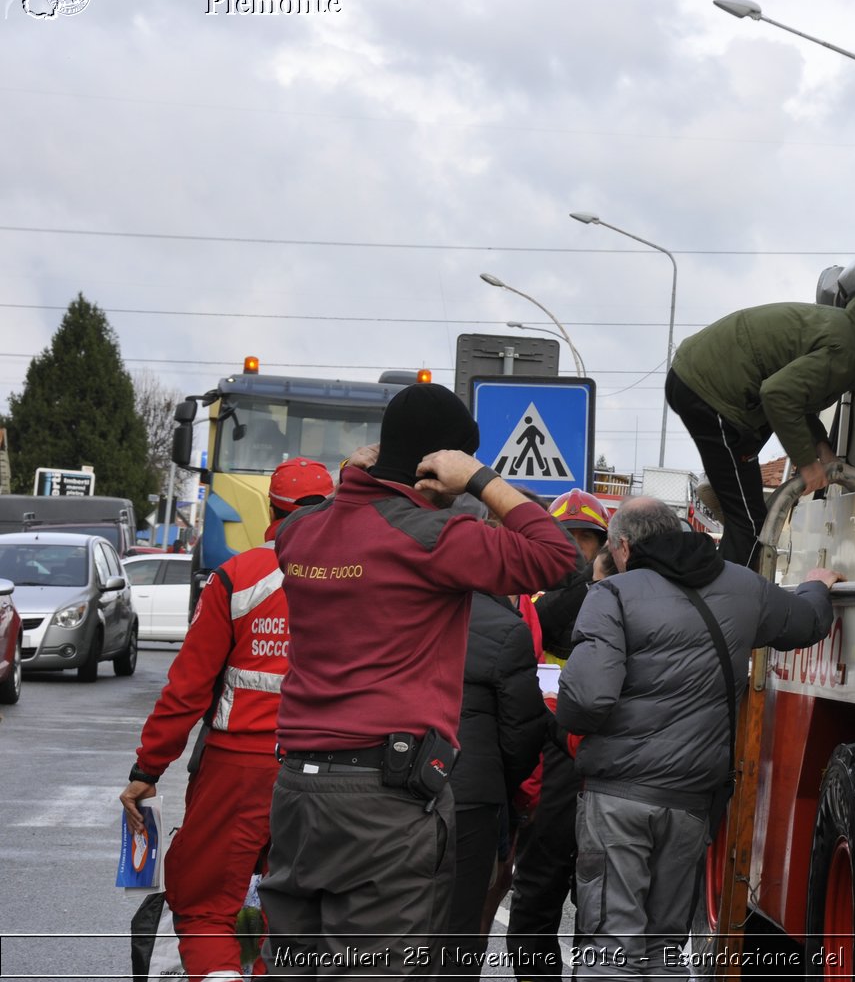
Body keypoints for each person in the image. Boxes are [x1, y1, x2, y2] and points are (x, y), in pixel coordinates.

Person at [258, 382, 578, 976]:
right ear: (440, 465)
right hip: (381, 804)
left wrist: (353, 475)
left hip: (297, 795)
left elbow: (330, 517)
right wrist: (481, 480)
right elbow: (556, 556)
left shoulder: (300, 535)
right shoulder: (432, 538)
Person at [556, 497, 842, 978]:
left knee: (612, 946)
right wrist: (817, 587)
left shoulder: (613, 595)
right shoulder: (742, 585)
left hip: (619, 799)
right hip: (691, 803)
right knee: (666, 945)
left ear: (623, 546)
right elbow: (807, 622)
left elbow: (587, 702)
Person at [118, 457, 335, 982]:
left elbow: (187, 689)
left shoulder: (238, 576)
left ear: (271, 507)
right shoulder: (363, 576)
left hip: (241, 768)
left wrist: (148, 771)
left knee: (205, 906)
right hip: (338, 772)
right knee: (302, 914)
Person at [666, 296, 855, 569]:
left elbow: (800, 400)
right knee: (752, 528)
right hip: (711, 389)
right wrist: (809, 465)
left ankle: (724, 489)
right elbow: (777, 396)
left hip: (706, 380)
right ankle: (724, 600)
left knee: (746, 519)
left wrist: (822, 450)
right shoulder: (851, 355)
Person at [505, 488, 611, 980]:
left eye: (585, 541)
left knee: (603, 896)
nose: (574, 550)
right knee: (539, 887)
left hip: (600, 758)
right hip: (546, 762)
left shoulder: (617, 598)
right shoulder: (530, 598)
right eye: (565, 539)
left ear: (604, 546)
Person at [442, 578, 556, 978]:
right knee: (460, 926)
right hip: (473, 794)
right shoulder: (507, 627)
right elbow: (523, 730)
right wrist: (510, 794)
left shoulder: (412, 610)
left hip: (400, 783)